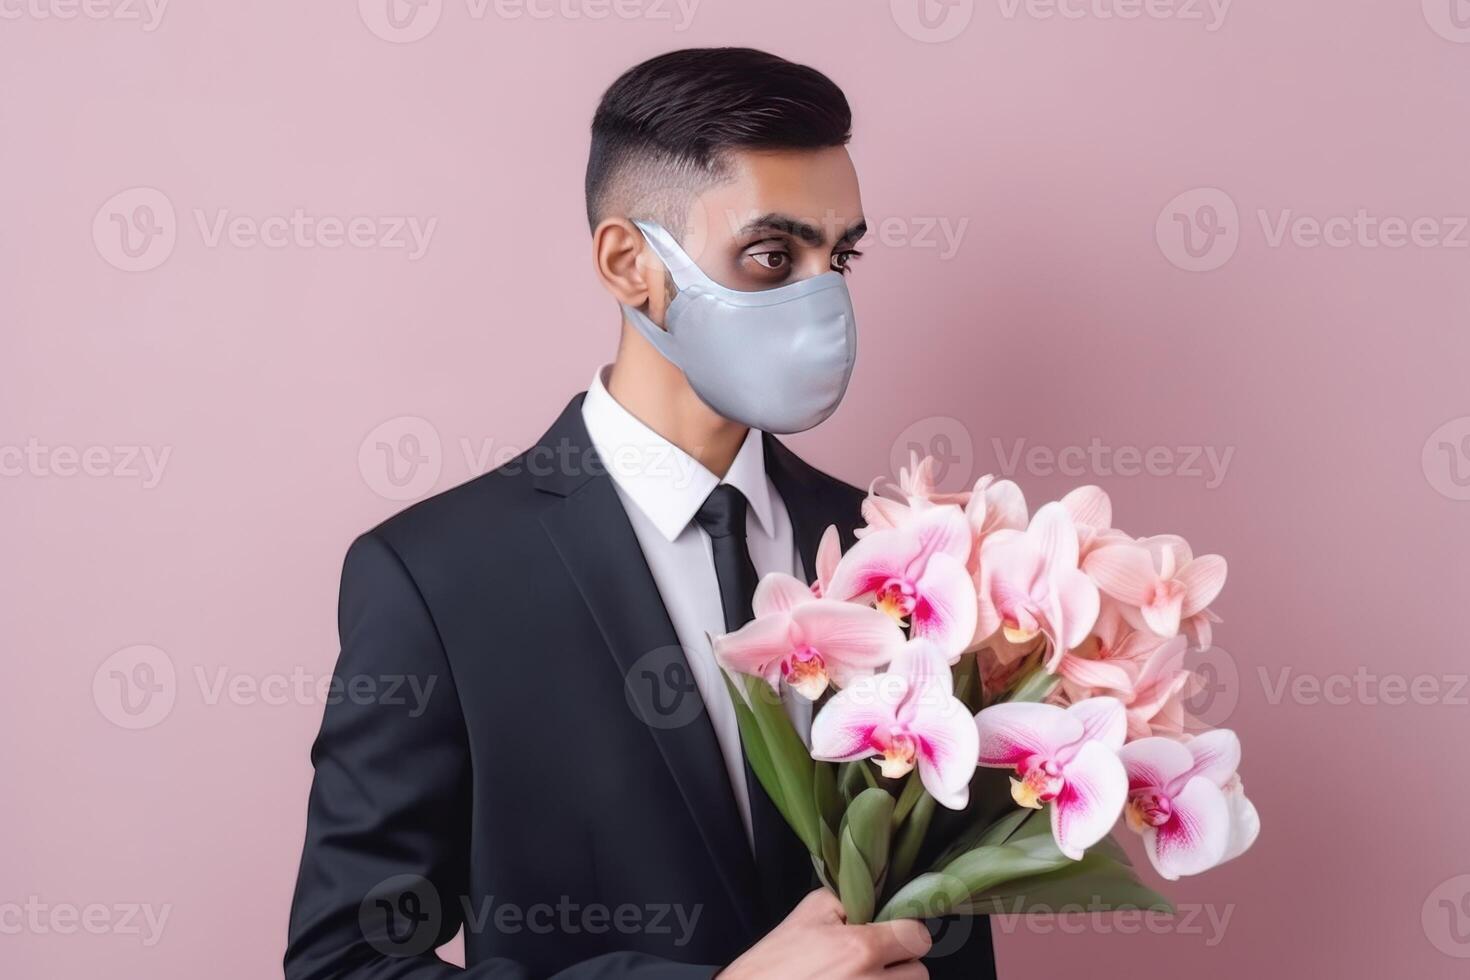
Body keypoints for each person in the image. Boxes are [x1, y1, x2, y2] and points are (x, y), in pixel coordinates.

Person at [285, 47, 995, 980]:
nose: (824, 299)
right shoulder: (438, 579)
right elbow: (347, 962)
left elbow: (946, 929)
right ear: (629, 264)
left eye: (841, 255)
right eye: (773, 255)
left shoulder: (895, 555)